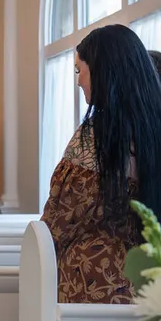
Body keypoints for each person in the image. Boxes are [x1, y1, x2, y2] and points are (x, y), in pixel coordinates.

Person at [42, 24, 161, 304]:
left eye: (79, 70)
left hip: (92, 280)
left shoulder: (97, 133)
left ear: (103, 71)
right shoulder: (153, 126)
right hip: (146, 282)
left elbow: (62, 216)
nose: (78, 80)